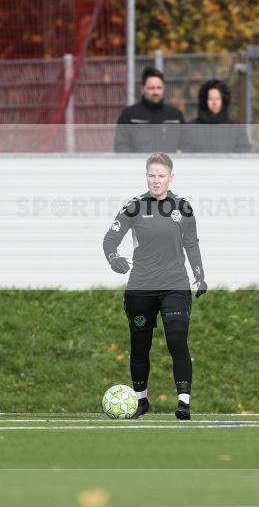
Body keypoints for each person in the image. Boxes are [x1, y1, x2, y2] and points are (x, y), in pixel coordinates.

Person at [102, 152, 207, 420]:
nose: (156, 180)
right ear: (146, 177)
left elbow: (192, 243)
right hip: (141, 287)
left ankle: (183, 403)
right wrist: (113, 259)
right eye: (151, 175)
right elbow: (110, 239)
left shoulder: (182, 207)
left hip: (175, 285)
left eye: (161, 175)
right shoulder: (134, 207)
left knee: (177, 340)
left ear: (171, 177)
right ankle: (141, 401)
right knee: (140, 346)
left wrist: (199, 274)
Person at [113, 67, 184, 153]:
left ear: (164, 89)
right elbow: (121, 145)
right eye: (151, 88)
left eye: (159, 88)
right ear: (142, 89)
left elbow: (185, 144)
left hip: (168, 165)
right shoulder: (130, 115)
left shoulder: (175, 116)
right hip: (138, 165)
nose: (155, 92)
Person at [181, 79, 251, 152]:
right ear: (205, 101)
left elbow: (244, 156)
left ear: (223, 101)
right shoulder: (190, 128)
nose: (214, 102)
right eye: (210, 99)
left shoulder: (237, 129)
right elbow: (186, 155)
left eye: (217, 99)